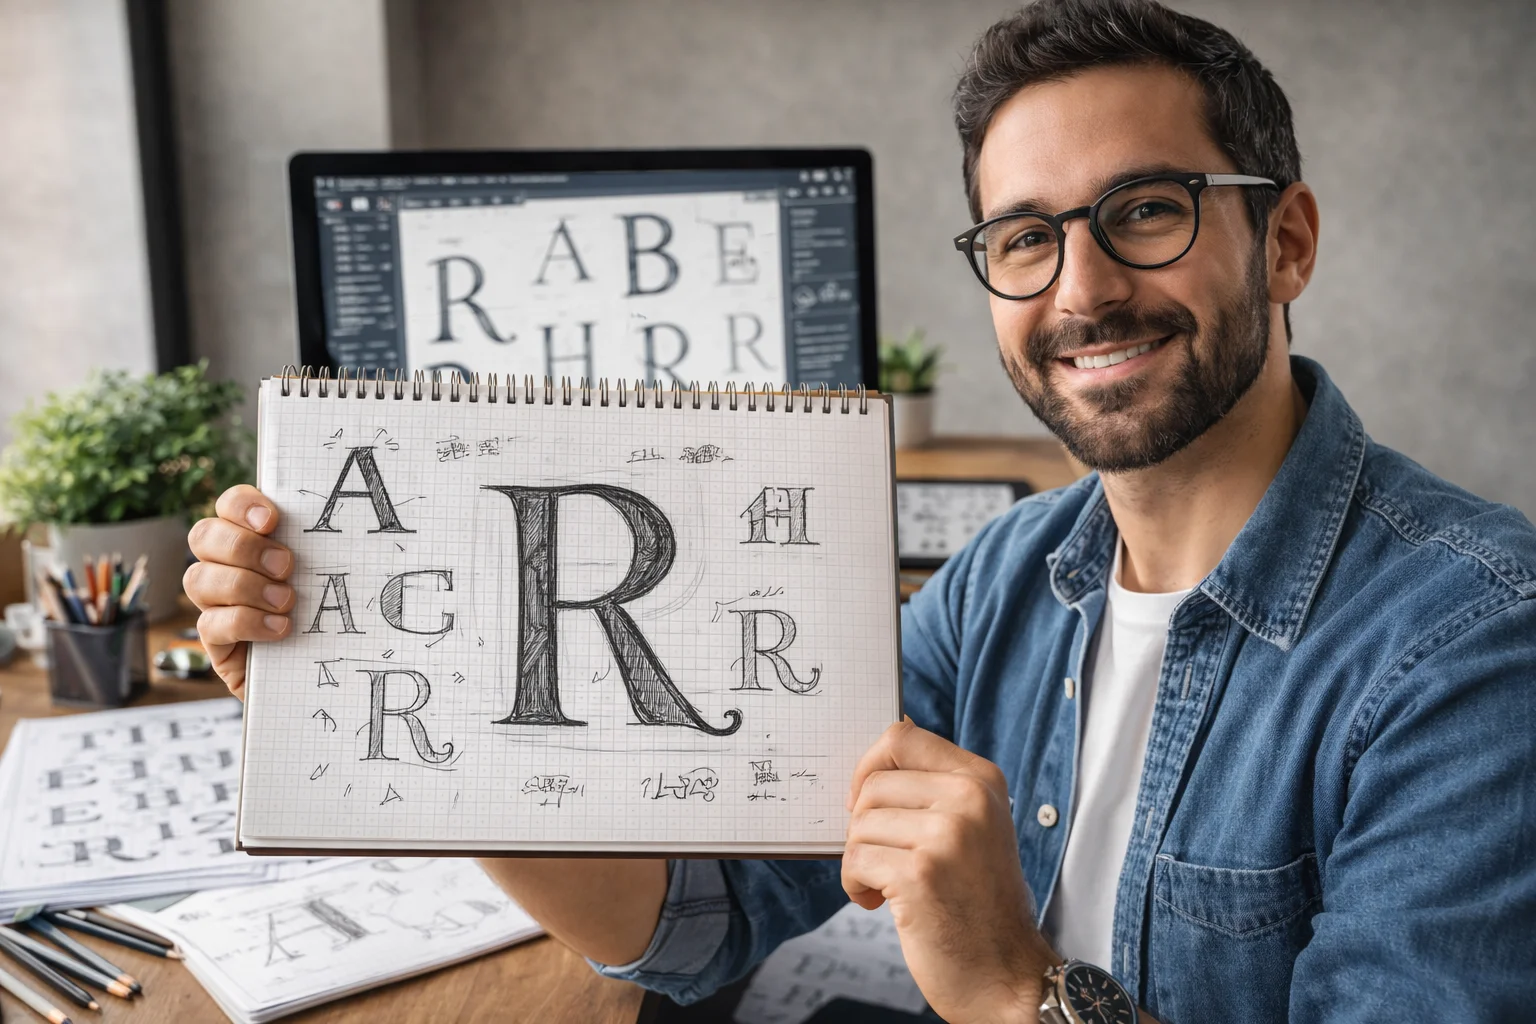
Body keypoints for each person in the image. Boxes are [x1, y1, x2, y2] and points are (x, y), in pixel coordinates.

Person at [185, 1, 1536, 1020]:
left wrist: (1016, 991)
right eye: (1025, 237)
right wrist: (380, 689)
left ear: (1285, 239)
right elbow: (695, 925)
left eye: (1146, 211)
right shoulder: (1003, 580)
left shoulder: (1475, 647)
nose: (1078, 291)